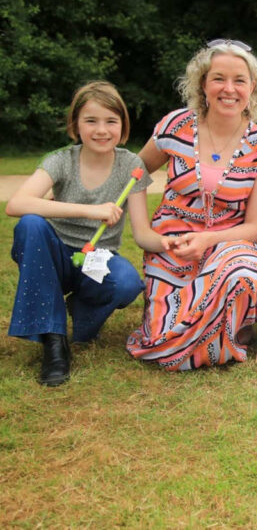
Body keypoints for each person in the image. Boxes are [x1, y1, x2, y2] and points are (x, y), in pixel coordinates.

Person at [125, 39, 257, 371]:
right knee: (160, 347)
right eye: (218, 78)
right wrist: (142, 232)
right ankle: (216, 328)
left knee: (242, 266)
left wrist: (208, 240)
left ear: (252, 87)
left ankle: (231, 324)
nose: (229, 89)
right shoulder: (175, 126)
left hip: (226, 247)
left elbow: (253, 227)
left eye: (240, 80)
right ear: (203, 84)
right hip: (172, 245)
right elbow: (133, 173)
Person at [6, 81, 171, 387]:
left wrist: (166, 243)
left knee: (126, 283)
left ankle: (79, 315)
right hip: (51, 253)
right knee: (31, 223)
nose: (101, 130)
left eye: (111, 121)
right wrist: (90, 210)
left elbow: (142, 234)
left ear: (122, 126)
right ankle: (54, 342)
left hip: (96, 257)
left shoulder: (131, 166)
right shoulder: (61, 160)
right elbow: (16, 204)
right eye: (91, 121)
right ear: (75, 125)